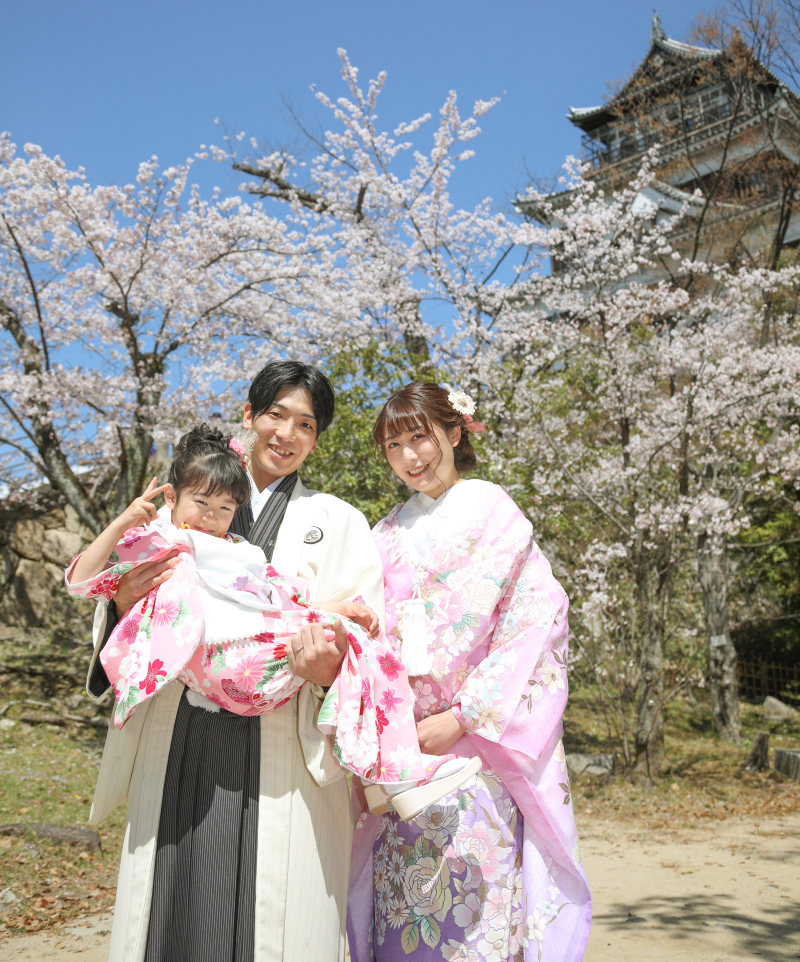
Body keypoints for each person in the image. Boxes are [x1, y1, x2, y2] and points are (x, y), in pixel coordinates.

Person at [81, 361, 386, 962]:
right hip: (178, 730)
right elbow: (115, 590)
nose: (286, 433)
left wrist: (327, 669)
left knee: (270, 923)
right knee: (166, 909)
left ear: (317, 439)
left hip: (281, 738)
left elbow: (365, 637)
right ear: (248, 417)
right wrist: (120, 601)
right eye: (275, 414)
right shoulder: (186, 498)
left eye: (305, 423)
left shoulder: (339, 522)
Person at [67, 424, 480, 816]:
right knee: (357, 647)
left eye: (226, 507)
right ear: (170, 498)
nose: (211, 517)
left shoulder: (237, 545)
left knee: (361, 642)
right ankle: (390, 775)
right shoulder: (162, 539)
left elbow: (277, 597)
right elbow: (82, 579)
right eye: (201, 503)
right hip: (226, 661)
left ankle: (387, 772)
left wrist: (332, 612)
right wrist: (123, 522)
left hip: (249, 661)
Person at [347, 382, 592, 962]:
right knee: (403, 911)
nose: (410, 456)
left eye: (420, 437)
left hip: (476, 748)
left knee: (474, 913)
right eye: (394, 445)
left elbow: (537, 619)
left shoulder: (492, 510)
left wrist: (462, 716)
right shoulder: (383, 533)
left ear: (454, 434)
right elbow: (372, 634)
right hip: (405, 751)